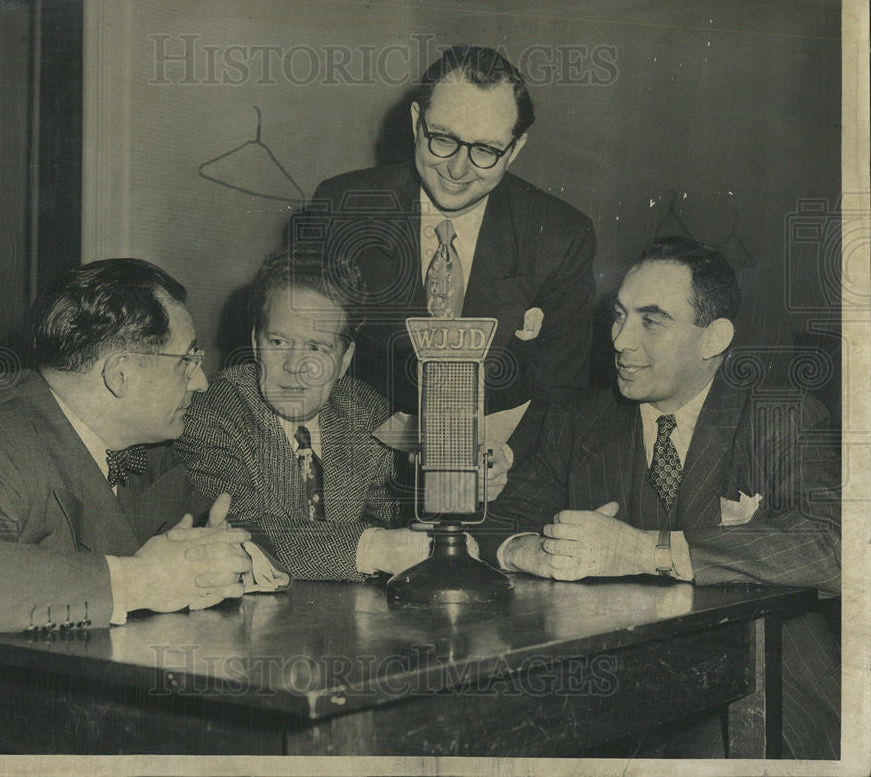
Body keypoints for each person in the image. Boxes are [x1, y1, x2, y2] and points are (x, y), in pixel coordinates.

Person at [480, 237, 840, 759]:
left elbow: (840, 544)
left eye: (652, 321)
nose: (622, 340)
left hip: (763, 695)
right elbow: (491, 521)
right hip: (615, 695)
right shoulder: (580, 421)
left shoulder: (780, 417)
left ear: (713, 338)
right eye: (619, 316)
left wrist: (648, 550)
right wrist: (525, 549)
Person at [0, 258, 252, 637]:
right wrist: (143, 579)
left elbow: (234, 522)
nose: (201, 383)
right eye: (186, 361)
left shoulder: (152, 448)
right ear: (120, 374)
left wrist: (230, 555)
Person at [307, 44, 597, 467]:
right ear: (415, 123)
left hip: (501, 467)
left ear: (514, 150)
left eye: (485, 150)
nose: (458, 170)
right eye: (443, 139)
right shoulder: (342, 208)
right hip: (357, 456)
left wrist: (502, 458)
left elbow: (562, 396)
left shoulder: (561, 236)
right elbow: (307, 356)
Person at [175, 249, 431, 581]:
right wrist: (374, 549)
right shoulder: (214, 412)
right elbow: (242, 530)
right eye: (279, 342)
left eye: (316, 348)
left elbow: (396, 512)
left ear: (344, 360)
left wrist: (451, 482)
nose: (295, 366)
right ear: (255, 343)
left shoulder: (365, 413)